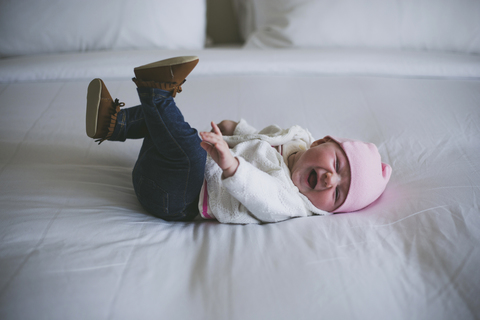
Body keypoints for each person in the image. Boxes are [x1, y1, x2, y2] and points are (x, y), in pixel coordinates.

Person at [85, 56, 392, 224]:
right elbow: (261, 135)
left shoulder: (292, 202)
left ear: (327, 211)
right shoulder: (297, 139)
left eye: (337, 194)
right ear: (321, 142)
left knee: (189, 150)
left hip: (175, 198)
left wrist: (231, 165)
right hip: (159, 169)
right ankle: (114, 124)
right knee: (182, 134)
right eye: (337, 165)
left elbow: (260, 193)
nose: (329, 180)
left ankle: (156, 91)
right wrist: (235, 127)